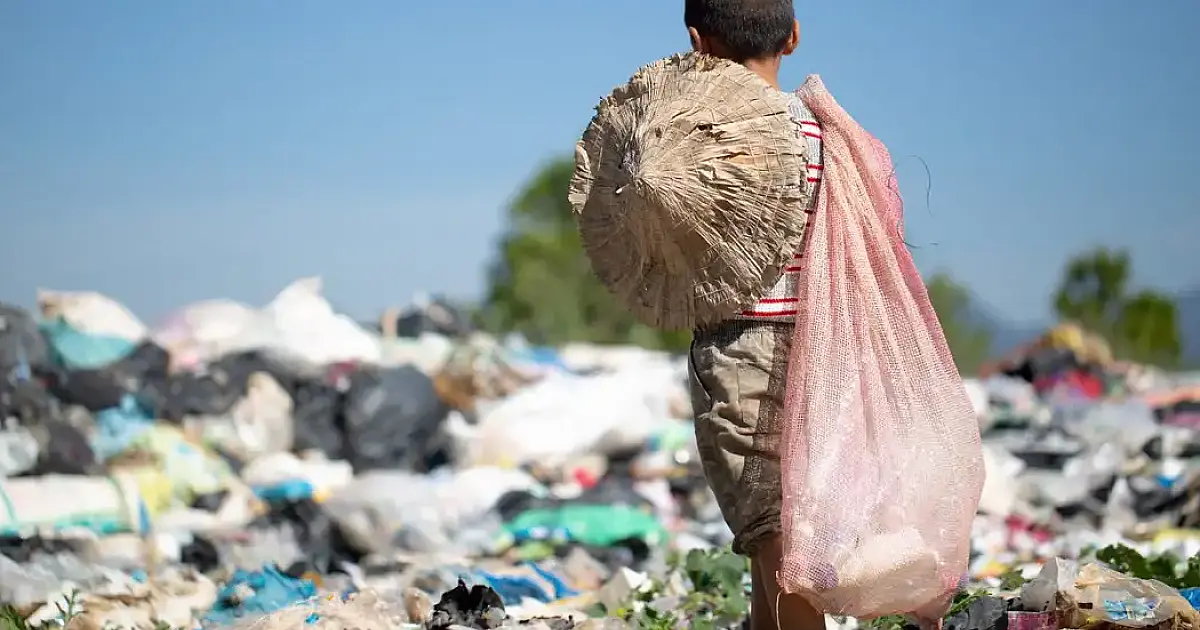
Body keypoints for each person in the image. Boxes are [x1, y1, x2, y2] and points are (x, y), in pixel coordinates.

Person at [683, 0, 827, 628]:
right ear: (792, 37)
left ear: (698, 42)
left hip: (742, 345)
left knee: (774, 537)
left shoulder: (702, 136)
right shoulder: (822, 132)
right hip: (819, 340)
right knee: (779, 530)